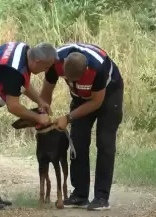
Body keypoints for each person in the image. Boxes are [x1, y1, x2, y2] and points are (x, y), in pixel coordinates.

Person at [0, 41, 58, 209]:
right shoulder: (14, 69)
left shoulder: (23, 50)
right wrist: (39, 119)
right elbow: (14, 106)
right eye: (46, 67)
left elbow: (23, 84)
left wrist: (40, 101)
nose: (46, 71)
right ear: (37, 62)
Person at [40, 43, 124, 211]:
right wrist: (43, 112)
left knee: (105, 142)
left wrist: (68, 117)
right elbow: (47, 90)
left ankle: (101, 197)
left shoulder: (98, 68)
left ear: (85, 72)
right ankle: (80, 194)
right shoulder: (54, 61)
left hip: (108, 95)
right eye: (67, 78)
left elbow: (96, 102)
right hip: (81, 96)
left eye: (73, 80)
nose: (69, 82)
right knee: (77, 140)